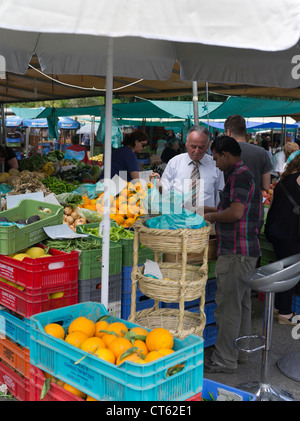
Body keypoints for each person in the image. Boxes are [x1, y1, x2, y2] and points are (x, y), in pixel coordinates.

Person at [203, 135, 261, 373]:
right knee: (241, 303)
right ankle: (240, 353)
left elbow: (235, 213)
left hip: (236, 252)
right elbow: (233, 207)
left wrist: (211, 217)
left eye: (216, 158)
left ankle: (224, 359)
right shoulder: (243, 174)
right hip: (246, 252)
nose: (215, 163)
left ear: (225, 155)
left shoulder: (238, 175)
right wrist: (206, 209)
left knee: (228, 307)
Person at [264, 151, 300, 325]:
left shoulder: (283, 180)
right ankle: (285, 313)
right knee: (290, 272)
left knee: (284, 268)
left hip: (275, 230)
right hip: (290, 232)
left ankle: (279, 306)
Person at [155, 126, 224, 209]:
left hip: (206, 219)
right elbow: (165, 191)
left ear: (207, 146)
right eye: (193, 147)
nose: (197, 151)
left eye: (201, 147)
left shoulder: (216, 165)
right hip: (178, 218)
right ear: (186, 144)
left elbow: (219, 196)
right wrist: (158, 184)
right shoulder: (174, 163)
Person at [224, 115, 273, 229]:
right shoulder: (261, 152)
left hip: (230, 211)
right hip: (254, 211)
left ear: (228, 132)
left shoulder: (224, 154)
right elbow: (266, 186)